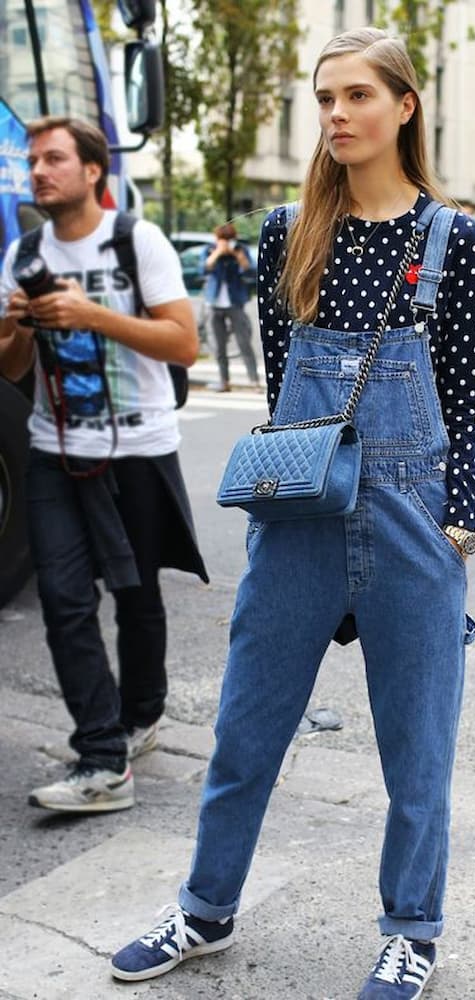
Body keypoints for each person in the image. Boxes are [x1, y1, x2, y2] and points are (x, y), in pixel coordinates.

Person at [112, 27, 475, 998]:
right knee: (245, 732)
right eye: (325, 97)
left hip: (412, 521)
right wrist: (297, 497)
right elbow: (288, 388)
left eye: (357, 95)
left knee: (418, 753)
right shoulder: (289, 231)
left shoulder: (452, 237)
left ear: (404, 106)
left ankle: (412, 930)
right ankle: (205, 905)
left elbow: (466, 395)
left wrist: (458, 527)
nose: (334, 115)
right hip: (300, 512)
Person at [0, 116, 208, 812]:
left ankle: (139, 716)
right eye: (33, 161)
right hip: (54, 453)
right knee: (63, 600)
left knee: (138, 594)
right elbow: (13, 367)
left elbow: (183, 344)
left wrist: (91, 315)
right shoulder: (24, 253)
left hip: (138, 449)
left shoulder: (134, 240)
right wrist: (15, 328)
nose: (38, 171)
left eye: (54, 158)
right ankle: (100, 754)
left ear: (93, 170)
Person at [203, 222, 260, 391]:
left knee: (244, 343)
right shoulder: (209, 249)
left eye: (228, 240)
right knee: (219, 346)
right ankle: (224, 381)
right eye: (222, 240)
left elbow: (251, 272)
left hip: (235, 303)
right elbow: (203, 269)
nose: (226, 243)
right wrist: (217, 253)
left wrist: (239, 257)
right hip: (214, 303)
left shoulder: (241, 250)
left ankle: (254, 381)